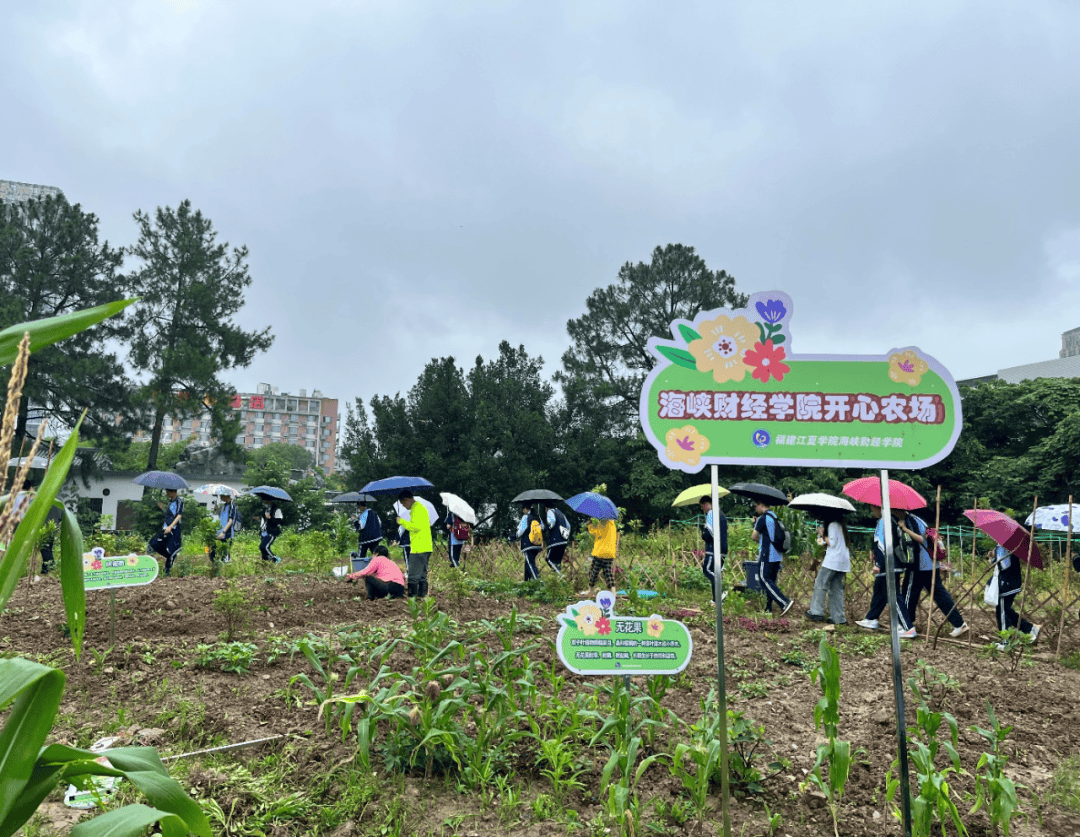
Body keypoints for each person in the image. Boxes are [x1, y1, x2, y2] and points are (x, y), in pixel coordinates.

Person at [896, 510, 969, 637]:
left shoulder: (911, 521)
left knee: (908, 593)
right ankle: (959, 624)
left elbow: (920, 538)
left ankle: (905, 626)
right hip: (930, 564)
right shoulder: (919, 519)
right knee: (939, 594)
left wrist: (904, 528)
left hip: (920, 565)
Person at [856, 506, 917, 637]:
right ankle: (871, 619)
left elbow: (882, 545)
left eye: (873, 508)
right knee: (879, 591)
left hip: (888, 564)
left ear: (880, 509)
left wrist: (878, 564)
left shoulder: (883, 522)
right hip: (895, 562)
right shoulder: (893, 520)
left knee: (893, 596)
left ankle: (908, 628)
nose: (872, 511)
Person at [805, 513, 851, 625]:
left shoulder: (833, 525)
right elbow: (822, 543)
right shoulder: (840, 526)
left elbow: (832, 543)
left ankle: (816, 612)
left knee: (820, 584)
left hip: (833, 561)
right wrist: (821, 536)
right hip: (842, 562)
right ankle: (838, 618)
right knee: (836, 588)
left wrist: (822, 533)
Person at [991, 543, 1040, 645]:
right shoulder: (1009, 545)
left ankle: (1006, 641)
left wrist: (994, 558)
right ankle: (1029, 629)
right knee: (1006, 610)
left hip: (1007, 584)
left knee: (1002, 611)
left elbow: (1004, 565)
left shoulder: (1002, 546)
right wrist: (993, 555)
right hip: (1013, 583)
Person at [750, 501, 792, 615]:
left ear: (761, 505)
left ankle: (784, 602)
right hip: (777, 555)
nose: (755, 509)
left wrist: (760, 539)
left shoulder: (762, 518)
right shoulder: (774, 516)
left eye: (756, 505)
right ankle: (768, 608)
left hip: (767, 554)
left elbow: (753, 536)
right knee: (771, 581)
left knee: (764, 578)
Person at [397, 490, 432, 597]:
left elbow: (415, 527)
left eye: (403, 504)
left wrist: (401, 521)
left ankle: (413, 597)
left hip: (418, 547)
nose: (403, 506)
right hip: (426, 546)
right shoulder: (420, 508)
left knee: (412, 574)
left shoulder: (417, 509)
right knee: (422, 574)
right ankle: (422, 597)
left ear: (407, 500)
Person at [698, 496, 728, 605]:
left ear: (707, 504)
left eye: (702, 507)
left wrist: (703, 533)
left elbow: (709, 533)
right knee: (715, 571)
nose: (703, 510)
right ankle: (716, 599)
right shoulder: (721, 514)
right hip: (723, 547)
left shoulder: (711, 513)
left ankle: (720, 593)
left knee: (707, 570)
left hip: (714, 548)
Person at [148, 488, 183, 576]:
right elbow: (169, 515)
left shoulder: (179, 501)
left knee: (172, 550)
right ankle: (168, 560)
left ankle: (167, 571)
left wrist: (170, 526)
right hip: (165, 528)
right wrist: (162, 508)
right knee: (153, 543)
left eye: (168, 492)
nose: (166, 494)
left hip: (173, 529)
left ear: (173, 492)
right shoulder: (170, 501)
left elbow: (179, 515)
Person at [582, 516, 618, 598]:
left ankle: (591, 590)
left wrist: (590, 524)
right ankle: (613, 591)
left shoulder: (602, 523)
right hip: (609, 553)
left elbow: (596, 533)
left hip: (600, 553)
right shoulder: (612, 525)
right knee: (608, 573)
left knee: (593, 572)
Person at [516, 502, 545, 581]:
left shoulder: (525, 517)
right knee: (528, 562)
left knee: (530, 564)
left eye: (523, 510)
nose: (523, 511)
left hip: (528, 544)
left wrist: (516, 536)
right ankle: (527, 581)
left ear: (525, 509)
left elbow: (520, 531)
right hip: (537, 544)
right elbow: (543, 527)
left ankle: (538, 582)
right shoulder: (537, 517)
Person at [209, 492, 239, 566]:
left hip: (227, 533)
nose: (221, 498)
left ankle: (225, 568)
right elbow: (222, 518)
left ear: (226, 496)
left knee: (225, 553)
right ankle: (216, 565)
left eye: (221, 496)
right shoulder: (224, 505)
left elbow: (230, 521)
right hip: (220, 531)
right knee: (213, 550)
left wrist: (223, 532)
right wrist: (217, 510)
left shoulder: (232, 506)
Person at [543, 501, 571, 575]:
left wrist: (546, 529)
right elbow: (568, 526)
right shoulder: (560, 513)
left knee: (549, 559)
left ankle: (560, 576)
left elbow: (552, 522)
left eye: (545, 509)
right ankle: (559, 580)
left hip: (555, 541)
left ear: (546, 508)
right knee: (557, 562)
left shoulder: (550, 511)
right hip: (563, 541)